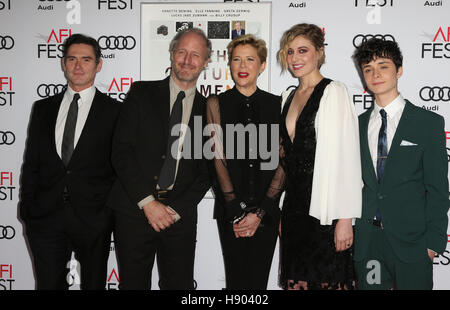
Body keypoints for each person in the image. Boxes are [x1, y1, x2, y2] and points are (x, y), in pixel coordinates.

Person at [109, 28, 211, 290]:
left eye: (196, 55)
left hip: (180, 217)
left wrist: (175, 209)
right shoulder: (141, 93)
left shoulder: (211, 110)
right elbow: (121, 151)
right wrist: (148, 203)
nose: (187, 60)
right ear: (172, 54)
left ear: (206, 62)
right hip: (134, 211)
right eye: (182, 52)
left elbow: (207, 171)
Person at [19, 34, 120, 290]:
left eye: (86, 59)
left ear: (98, 65)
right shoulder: (42, 108)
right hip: (45, 218)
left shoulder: (116, 112)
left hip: (94, 219)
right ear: (63, 63)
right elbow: (32, 164)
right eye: (72, 59)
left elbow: (122, 166)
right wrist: (28, 208)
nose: (78, 66)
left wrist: (107, 213)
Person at [352, 38, 449, 290]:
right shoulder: (356, 125)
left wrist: (433, 243)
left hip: (414, 243)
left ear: (399, 70)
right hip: (368, 242)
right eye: (368, 69)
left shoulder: (428, 123)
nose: (375, 74)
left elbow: (438, 188)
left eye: (383, 66)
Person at [274, 23, 362, 290]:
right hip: (294, 211)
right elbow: (284, 161)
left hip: (326, 212)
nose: (295, 58)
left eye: (303, 50)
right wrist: (280, 211)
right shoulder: (287, 96)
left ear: (320, 52)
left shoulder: (334, 92)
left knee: (329, 281)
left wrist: (345, 218)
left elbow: (348, 158)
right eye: (290, 52)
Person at [206, 34, 281, 289]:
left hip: (267, 211)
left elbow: (283, 161)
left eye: (250, 59)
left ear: (262, 66)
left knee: (258, 283)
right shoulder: (216, 104)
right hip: (230, 211)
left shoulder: (277, 105)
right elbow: (217, 158)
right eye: (237, 59)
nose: (242, 66)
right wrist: (236, 210)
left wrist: (260, 211)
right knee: (236, 282)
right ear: (229, 64)